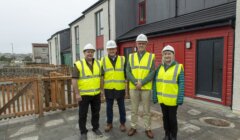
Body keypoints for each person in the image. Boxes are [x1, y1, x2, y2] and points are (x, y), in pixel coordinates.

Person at [152, 45, 184, 140]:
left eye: (169, 54)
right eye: (165, 54)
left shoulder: (179, 68)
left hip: (173, 100)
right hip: (162, 99)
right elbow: (155, 83)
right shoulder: (159, 68)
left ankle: (173, 136)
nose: (167, 56)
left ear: (173, 55)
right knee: (165, 118)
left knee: (172, 119)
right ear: (163, 56)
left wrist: (180, 97)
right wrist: (155, 96)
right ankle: (167, 134)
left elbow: (181, 83)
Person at [126, 33, 155, 139]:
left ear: (146, 44)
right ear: (136, 44)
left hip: (146, 87)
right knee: (134, 109)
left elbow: (152, 72)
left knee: (147, 110)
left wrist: (142, 83)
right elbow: (127, 71)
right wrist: (135, 82)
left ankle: (148, 128)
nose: (141, 45)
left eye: (143, 43)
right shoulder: (131, 56)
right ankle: (133, 127)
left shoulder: (151, 56)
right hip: (134, 87)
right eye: (139, 43)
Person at [72, 43, 103, 140]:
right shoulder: (78, 64)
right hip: (84, 94)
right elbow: (74, 80)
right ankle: (83, 131)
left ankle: (95, 128)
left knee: (96, 112)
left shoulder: (98, 63)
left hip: (96, 94)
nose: (90, 53)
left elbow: (101, 78)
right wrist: (77, 93)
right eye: (87, 52)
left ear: (94, 53)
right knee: (82, 114)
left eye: (91, 52)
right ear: (84, 53)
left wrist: (102, 90)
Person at [101, 40, 127, 132]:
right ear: (107, 50)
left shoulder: (123, 59)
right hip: (108, 88)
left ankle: (123, 123)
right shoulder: (103, 60)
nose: (111, 50)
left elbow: (126, 73)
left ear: (116, 49)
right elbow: (101, 75)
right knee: (109, 107)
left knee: (121, 107)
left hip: (120, 87)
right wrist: (101, 89)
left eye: (113, 49)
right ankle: (109, 123)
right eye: (109, 49)